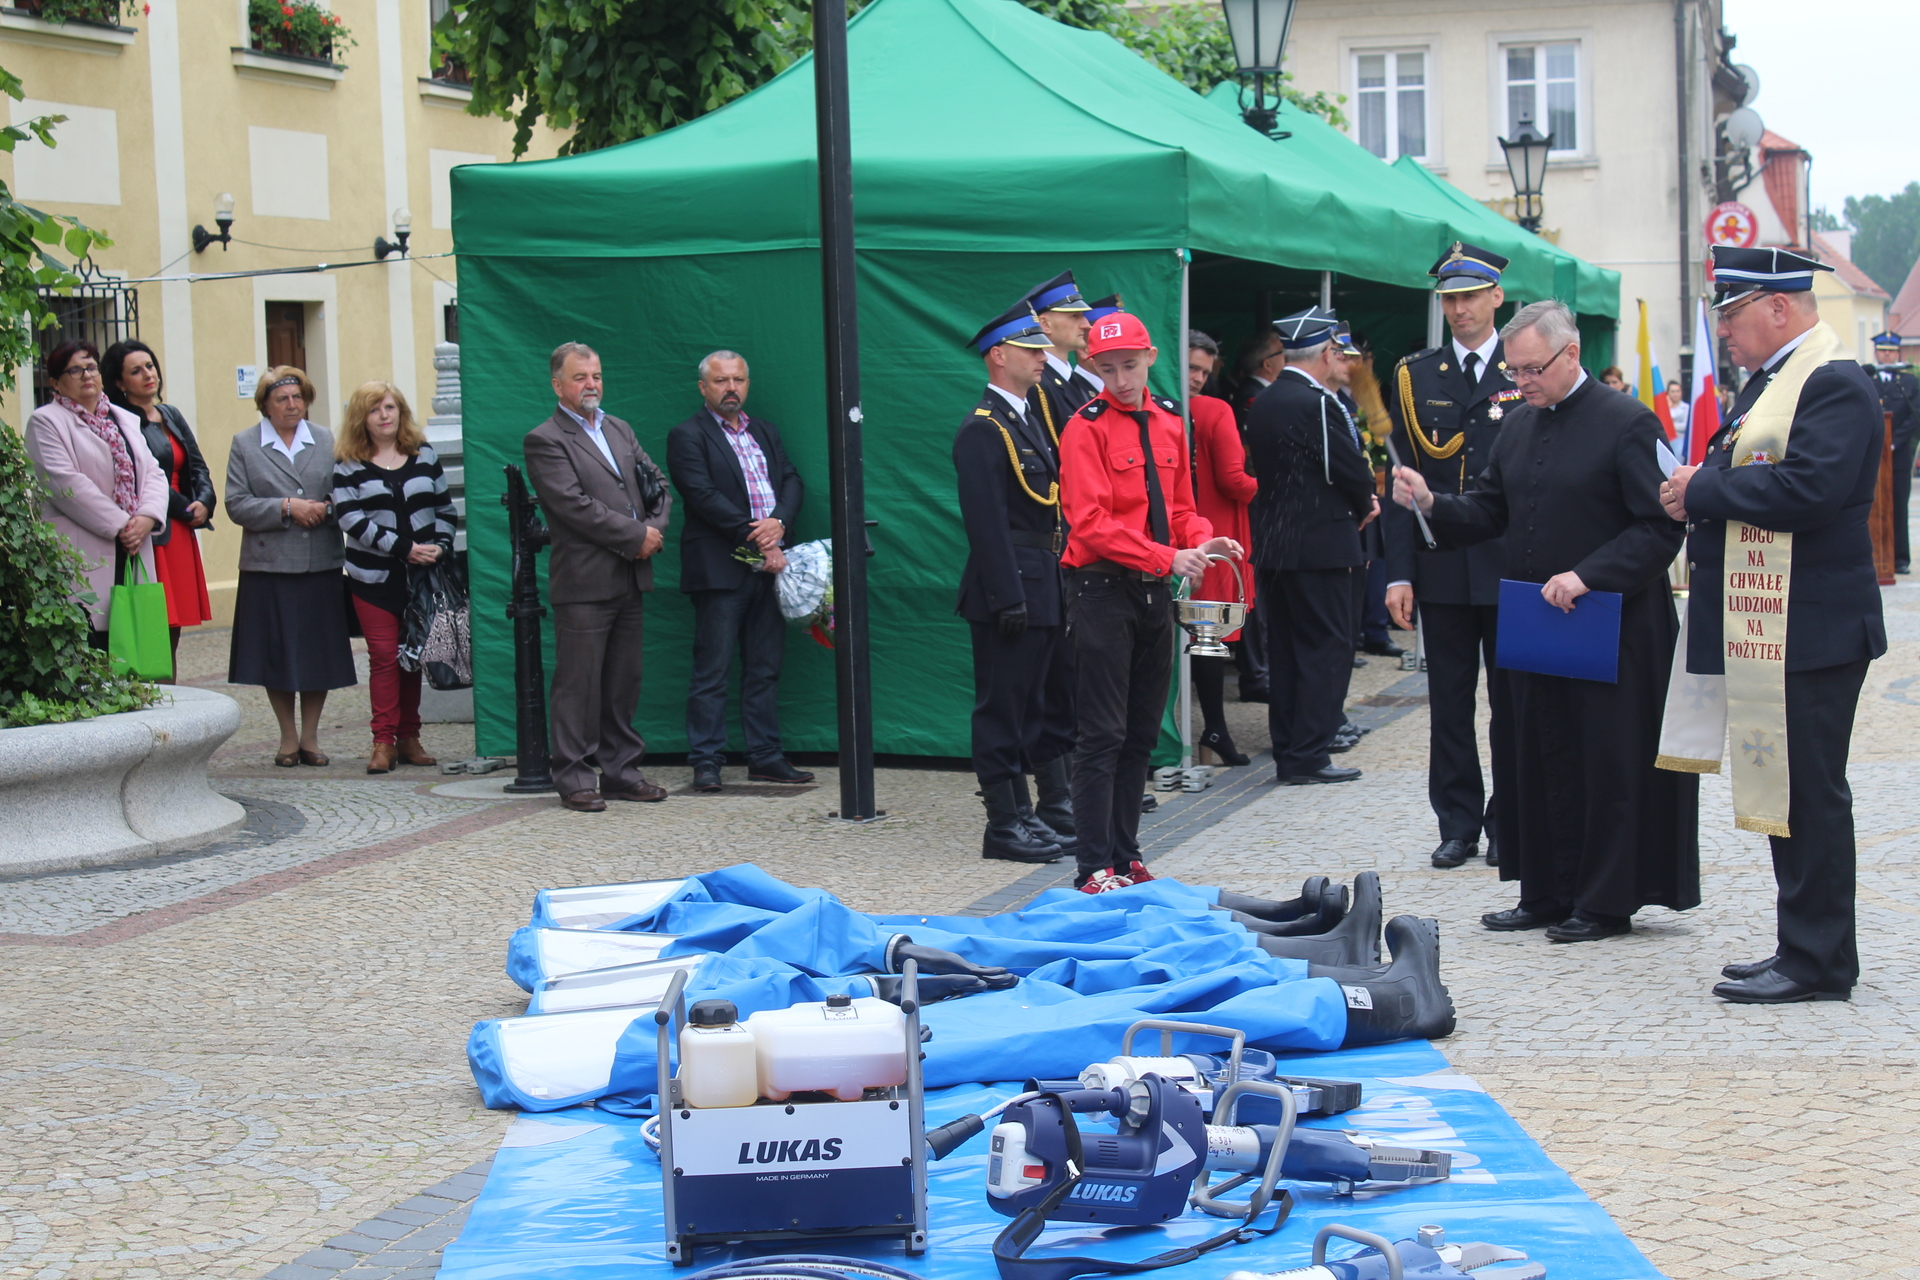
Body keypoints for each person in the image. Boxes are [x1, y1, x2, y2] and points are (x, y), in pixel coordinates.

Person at [1395, 300, 1699, 943]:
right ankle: (1545, 889)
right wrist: (1431, 501)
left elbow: (1661, 526)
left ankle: (1605, 900)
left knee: (1606, 760)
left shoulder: (1628, 423)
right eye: (1515, 371)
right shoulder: (1518, 426)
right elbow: (1487, 512)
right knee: (1534, 751)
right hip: (1539, 624)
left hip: (1614, 623)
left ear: (1570, 355)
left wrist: (1589, 575)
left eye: (1532, 369)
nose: (1521, 382)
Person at [1659, 246, 1887, 1003]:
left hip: (1815, 627)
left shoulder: (1834, 383)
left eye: (1732, 314)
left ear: (1779, 308)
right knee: (1786, 793)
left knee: (1812, 794)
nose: (1725, 331)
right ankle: (1801, 943)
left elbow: (1808, 489)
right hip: (1780, 623)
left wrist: (1706, 488)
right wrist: (1700, 493)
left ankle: (1821, 961)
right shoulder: (1774, 384)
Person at [1060, 311, 1241, 892]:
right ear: (1093, 368)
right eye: (1107, 369)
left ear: (1150, 359)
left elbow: (1181, 508)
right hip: (1102, 589)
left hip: (1152, 591)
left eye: (1130, 366)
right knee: (1102, 733)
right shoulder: (1083, 428)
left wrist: (1201, 538)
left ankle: (1126, 855)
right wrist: (1167, 558)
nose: (1120, 380)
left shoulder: (1168, 422)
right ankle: (1093, 866)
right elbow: (1087, 524)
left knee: (1141, 731)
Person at [1381, 242, 1516, 869]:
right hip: (1441, 565)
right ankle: (1458, 823)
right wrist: (1399, 571)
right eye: (1450, 299)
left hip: (1511, 561)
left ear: (1496, 297)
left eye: (1469, 297)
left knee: (1514, 703)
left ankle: (1510, 821)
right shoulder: (1415, 374)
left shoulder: (1525, 369)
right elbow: (1402, 480)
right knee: (1451, 704)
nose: (1459, 309)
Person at [524, 342, 674, 812]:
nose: (591, 385)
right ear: (558, 385)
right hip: (584, 581)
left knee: (623, 681)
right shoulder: (545, 439)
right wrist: (637, 536)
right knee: (578, 683)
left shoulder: (619, 428)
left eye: (597, 376)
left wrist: (654, 529)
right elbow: (572, 507)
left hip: (630, 576)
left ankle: (621, 773)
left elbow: (659, 484)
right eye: (580, 377)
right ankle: (572, 777)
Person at [953, 301, 1070, 863]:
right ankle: (1003, 824)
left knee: (1033, 707)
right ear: (999, 357)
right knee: (1001, 709)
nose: (1041, 358)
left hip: (1042, 578)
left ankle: (1027, 814)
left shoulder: (1025, 419)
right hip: (1012, 585)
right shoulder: (984, 431)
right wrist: (1008, 594)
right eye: (1030, 350)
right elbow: (987, 523)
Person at [666, 350, 811, 792]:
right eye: (721, 381)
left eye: (738, 380)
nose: (731, 388)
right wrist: (761, 537)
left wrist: (780, 523)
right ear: (703, 388)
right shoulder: (687, 435)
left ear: (748, 384)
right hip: (721, 567)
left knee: (764, 667)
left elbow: (791, 479)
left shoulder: (764, 430)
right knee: (713, 668)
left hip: (771, 565)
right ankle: (706, 760)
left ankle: (765, 757)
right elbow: (701, 495)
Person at [1245, 307, 1379, 787]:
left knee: (1286, 652)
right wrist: (1365, 501)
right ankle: (1310, 752)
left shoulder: (1267, 401)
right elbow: (1348, 467)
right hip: (1323, 544)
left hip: (1278, 547)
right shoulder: (1318, 403)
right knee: (1327, 649)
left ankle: (1291, 748)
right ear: (1326, 352)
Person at [224, 366, 357, 766]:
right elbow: (236, 503)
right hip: (269, 566)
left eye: (298, 397)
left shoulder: (326, 439)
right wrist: (286, 506)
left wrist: (326, 508)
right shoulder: (245, 444)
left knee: (319, 654)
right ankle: (287, 738)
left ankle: (312, 737)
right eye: (282, 399)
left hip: (320, 563)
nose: (292, 405)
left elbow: (348, 491)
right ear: (264, 404)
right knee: (275, 654)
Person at [331, 380, 456, 774]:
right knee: (385, 657)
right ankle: (382, 741)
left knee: (413, 657)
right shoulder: (348, 463)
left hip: (423, 579)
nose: (384, 415)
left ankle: (409, 737)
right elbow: (350, 519)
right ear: (361, 419)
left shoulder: (423, 455)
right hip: (373, 578)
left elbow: (445, 510)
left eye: (390, 407)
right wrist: (403, 547)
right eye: (374, 409)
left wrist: (440, 544)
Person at [24, 341, 168, 650]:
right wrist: (123, 525)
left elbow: (153, 473)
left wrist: (147, 517)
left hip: (132, 547)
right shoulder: (46, 422)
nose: (86, 375)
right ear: (55, 382)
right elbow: (66, 485)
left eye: (91, 367)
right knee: (92, 648)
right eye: (74, 370)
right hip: (85, 550)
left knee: (134, 650)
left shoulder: (123, 418)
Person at [103, 340, 215, 661]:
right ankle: (157, 696)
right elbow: (144, 477)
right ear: (120, 383)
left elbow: (197, 464)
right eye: (136, 371)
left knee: (175, 630)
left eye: (150, 366)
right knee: (158, 623)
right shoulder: (121, 421)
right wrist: (184, 508)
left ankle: (171, 694)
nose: (147, 375)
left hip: (182, 530)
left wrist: (205, 501)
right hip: (157, 527)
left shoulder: (170, 414)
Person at [1186, 328, 1257, 767]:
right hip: (1212, 534)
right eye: (1191, 367)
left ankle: (1212, 734)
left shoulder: (1155, 409)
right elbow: (1234, 479)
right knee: (1208, 634)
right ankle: (1213, 732)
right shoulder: (1213, 410)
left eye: (1203, 372)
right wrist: (1266, 487)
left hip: (1177, 532)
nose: (1195, 378)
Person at [1021, 271, 1099, 432]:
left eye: (1083, 316)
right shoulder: (1038, 386)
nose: (1086, 325)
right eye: (1074, 316)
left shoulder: (1074, 381)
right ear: (1045, 325)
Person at [1866, 331, 1917, 573]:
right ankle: (1875, 555)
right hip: (1872, 456)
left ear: (1898, 353)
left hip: (1898, 455)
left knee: (1898, 504)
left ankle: (1900, 558)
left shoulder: (1908, 382)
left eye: (1891, 351)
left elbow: (1914, 416)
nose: (1887, 355)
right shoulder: (1867, 378)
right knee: (1871, 504)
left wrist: (1894, 442)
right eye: (1883, 351)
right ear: (1876, 352)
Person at [1232, 329, 1285, 428]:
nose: (1287, 356)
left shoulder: (1259, 392)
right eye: (1282, 351)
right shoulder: (1252, 396)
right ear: (1267, 364)